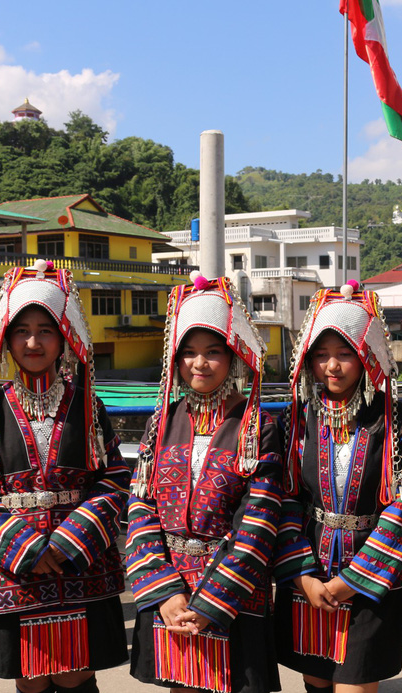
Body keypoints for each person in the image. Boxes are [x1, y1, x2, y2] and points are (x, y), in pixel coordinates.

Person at [0, 260, 129, 693]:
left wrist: (69, 542)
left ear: (63, 338)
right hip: (15, 567)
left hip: (78, 562)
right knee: (29, 678)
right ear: (6, 340)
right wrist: (25, 545)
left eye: (45, 330)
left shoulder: (88, 406)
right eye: (22, 330)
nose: (33, 341)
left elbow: (115, 478)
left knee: (75, 672)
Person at [127, 273, 283, 693]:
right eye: (189, 352)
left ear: (233, 357)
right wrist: (165, 592)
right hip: (170, 587)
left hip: (233, 586)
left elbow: (259, 520)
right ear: (175, 360)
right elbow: (141, 507)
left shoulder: (259, 427)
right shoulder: (161, 422)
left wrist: (211, 599)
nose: (199, 363)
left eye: (213, 351)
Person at [274, 280, 402, 693]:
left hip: (371, 576)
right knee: (316, 682)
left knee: (356, 682)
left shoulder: (393, 420)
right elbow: (286, 500)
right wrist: (305, 576)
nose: (331, 367)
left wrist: (352, 580)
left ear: (366, 356)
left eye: (343, 355)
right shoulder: (297, 419)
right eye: (320, 356)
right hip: (311, 573)